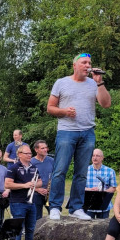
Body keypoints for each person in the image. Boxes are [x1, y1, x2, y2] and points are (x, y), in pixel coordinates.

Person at [47, 53, 111, 220]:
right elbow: (50, 108)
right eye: (84, 62)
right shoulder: (61, 82)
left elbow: (106, 104)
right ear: (74, 65)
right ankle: (55, 207)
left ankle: (76, 208)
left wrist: (100, 82)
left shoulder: (94, 83)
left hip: (87, 132)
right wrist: (64, 111)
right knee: (60, 170)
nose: (87, 65)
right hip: (66, 132)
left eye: (89, 62)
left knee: (81, 173)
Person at [4, 146, 40, 240]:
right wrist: (24, 185)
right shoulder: (13, 168)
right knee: (18, 229)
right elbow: (7, 184)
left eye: (30, 153)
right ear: (19, 154)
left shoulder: (34, 168)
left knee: (31, 229)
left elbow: (40, 182)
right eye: (27, 153)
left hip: (31, 202)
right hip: (18, 202)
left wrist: (35, 184)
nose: (30, 155)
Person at [85, 149, 117, 219]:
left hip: (104, 205)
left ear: (102, 158)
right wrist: (90, 189)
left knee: (103, 225)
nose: (95, 158)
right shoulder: (85, 170)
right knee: (87, 225)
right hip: (88, 204)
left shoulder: (110, 171)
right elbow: (79, 187)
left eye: (97, 156)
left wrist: (103, 192)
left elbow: (113, 187)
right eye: (93, 156)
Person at [30, 140, 54, 219]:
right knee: (37, 217)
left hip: (49, 193)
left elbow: (55, 175)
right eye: (42, 148)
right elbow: (26, 180)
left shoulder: (51, 160)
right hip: (36, 193)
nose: (45, 150)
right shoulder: (31, 162)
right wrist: (37, 189)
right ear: (36, 150)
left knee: (54, 215)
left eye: (46, 148)